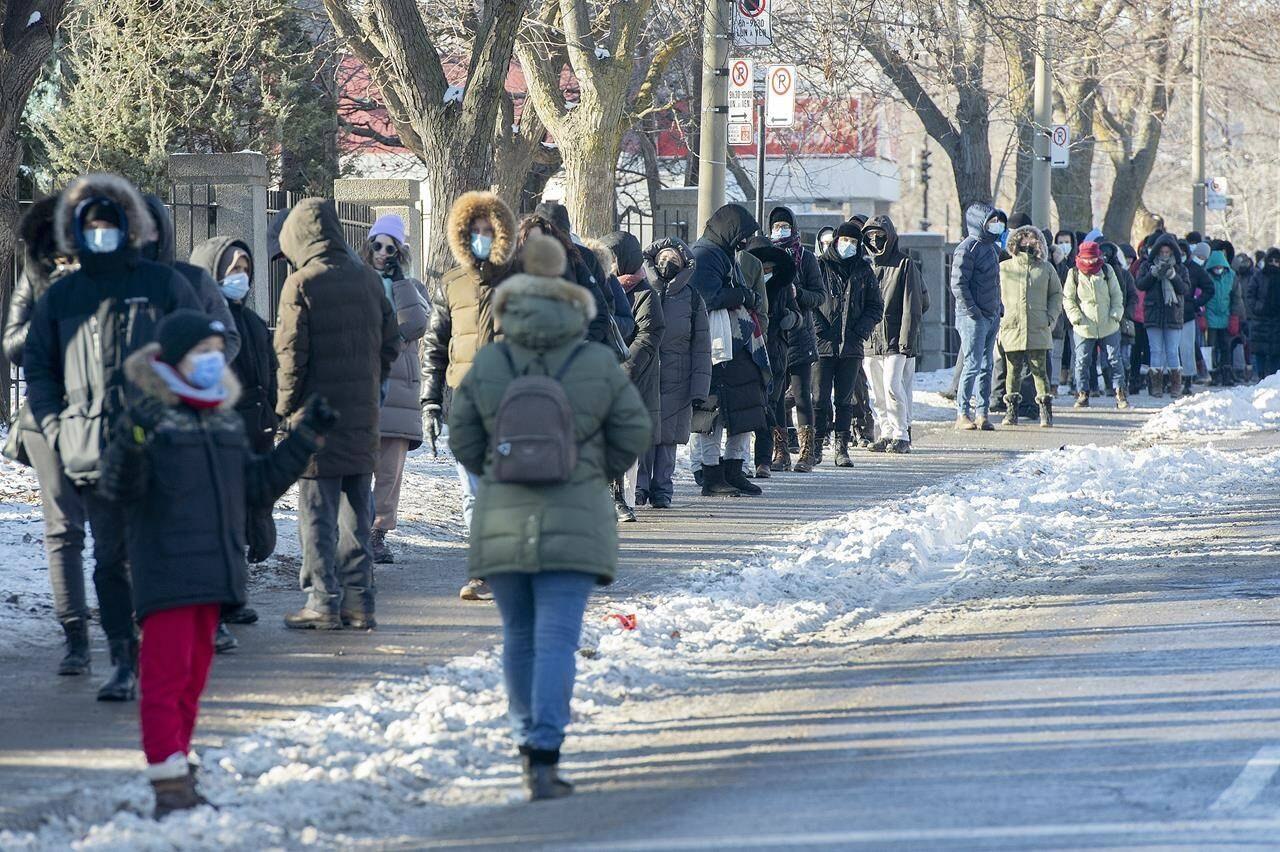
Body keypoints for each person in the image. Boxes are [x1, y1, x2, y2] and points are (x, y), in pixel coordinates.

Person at [96, 311, 330, 817]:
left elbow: (257, 485)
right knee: (164, 679)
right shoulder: (148, 417)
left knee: (194, 680)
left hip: (215, 573)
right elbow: (118, 490)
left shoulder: (223, 418)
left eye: (215, 352)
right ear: (174, 359)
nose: (211, 360)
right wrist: (130, 442)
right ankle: (168, 782)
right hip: (167, 570)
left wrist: (305, 439)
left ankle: (180, 766)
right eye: (200, 350)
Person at [447, 235, 650, 801]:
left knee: (518, 636)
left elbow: (461, 435)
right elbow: (634, 432)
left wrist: (496, 468)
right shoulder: (594, 362)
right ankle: (544, 752)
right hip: (575, 517)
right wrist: (591, 469)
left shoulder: (491, 362)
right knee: (559, 636)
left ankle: (522, 737)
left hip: (503, 519)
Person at [24, 173, 202, 701]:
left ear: (128, 228)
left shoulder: (161, 284)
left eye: (111, 225)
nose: (102, 233)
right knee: (107, 557)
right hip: (92, 449)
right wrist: (56, 425)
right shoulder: (62, 296)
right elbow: (39, 366)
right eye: (92, 226)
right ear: (78, 231)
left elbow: (195, 350)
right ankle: (123, 658)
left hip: (155, 447)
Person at [275, 199, 401, 631]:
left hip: (317, 420)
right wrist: (371, 381)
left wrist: (285, 411)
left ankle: (322, 601)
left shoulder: (301, 283)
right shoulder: (368, 280)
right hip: (362, 416)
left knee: (316, 513)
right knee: (355, 514)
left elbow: (291, 356)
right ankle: (359, 602)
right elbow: (392, 343)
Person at [2, 194, 91, 676]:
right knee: (63, 529)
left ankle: (124, 628)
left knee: (117, 529)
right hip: (48, 416)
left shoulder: (112, 272)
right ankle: (74, 633)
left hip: (103, 416)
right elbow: (12, 341)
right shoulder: (36, 272)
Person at [422, 191, 517, 602]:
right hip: (463, 402)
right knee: (472, 494)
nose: (481, 238)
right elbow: (434, 344)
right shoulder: (451, 284)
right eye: (473, 231)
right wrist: (429, 402)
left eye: (487, 230)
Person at [189, 235, 274, 649]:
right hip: (220, 430)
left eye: (244, 269)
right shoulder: (205, 325)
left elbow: (268, 376)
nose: (239, 277)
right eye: (231, 269)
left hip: (256, 430)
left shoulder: (254, 324)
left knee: (246, 519)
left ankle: (234, 595)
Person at [358, 215, 429, 563]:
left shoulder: (412, 286)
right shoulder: (355, 281)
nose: (383, 253)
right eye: (378, 245)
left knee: (389, 472)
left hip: (399, 391)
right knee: (358, 463)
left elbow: (415, 325)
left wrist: (399, 282)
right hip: (362, 386)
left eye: (391, 247)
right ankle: (356, 529)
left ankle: (378, 534)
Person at [689, 205, 770, 496]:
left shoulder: (722, 253)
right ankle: (712, 474)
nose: (746, 242)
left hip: (735, 346)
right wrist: (741, 295)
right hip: (716, 348)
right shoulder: (705, 255)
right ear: (732, 231)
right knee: (712, 413)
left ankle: (734, 470)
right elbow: (705, 297)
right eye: (744, 235)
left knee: (744, 405)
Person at [638, 238, 710, 507]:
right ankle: (639, 487)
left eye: (675, 260)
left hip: (677, 377)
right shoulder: (642, 289)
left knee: (667, 440)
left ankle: (662, 491)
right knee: (643, 435)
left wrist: (699, 388)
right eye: (664, 257)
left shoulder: (692, 298)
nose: (668, 263)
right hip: (645, 372)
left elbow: (701, 346)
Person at [600, 231, 665, 521]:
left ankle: (625, 499)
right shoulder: (601, 288)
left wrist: (621, 372)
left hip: (634, 379)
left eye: (615, 259)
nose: (611, 265)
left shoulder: (645, 294)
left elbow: (647, 337)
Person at [141, 195, 241, 363]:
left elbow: (228, 337)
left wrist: (198, 370)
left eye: (149, 229)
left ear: (163, 231)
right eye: (134, 229)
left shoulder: (194, 278)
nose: (141, 237)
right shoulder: (111, 280)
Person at [815, 221, 883, 463]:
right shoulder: (820, 266)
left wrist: (859, 331)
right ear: (836, 241)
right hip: (822, 344)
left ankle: (841, 448)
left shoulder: (864, 270)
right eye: (845, 240)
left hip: (851, 346)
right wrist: (818, 329)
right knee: (819, 398)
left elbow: (875, 306)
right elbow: (811, 300)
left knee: (844, 399)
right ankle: (815, 445)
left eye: (854, 242)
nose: (849, 245)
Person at [768, 207, 824, 472]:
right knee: (777, 397)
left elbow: (819, 296)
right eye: (776, 225)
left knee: (802, 394)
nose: (781, 230)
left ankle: (807, 453)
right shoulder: (765, 257)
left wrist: (797, 292)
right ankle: (780, 451)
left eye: (785, 225)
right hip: (775, 336)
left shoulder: (807, 258)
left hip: (801, 336)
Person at [862, 215, 924, 453]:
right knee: (877, 391)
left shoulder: (904, 264)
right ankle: (886, 431)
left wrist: (907, 339)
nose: (875, 240)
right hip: (871, 339)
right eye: (870, 237)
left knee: (892, 386)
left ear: (890, 237)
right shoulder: (868, 266)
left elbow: (913, 304)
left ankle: (901, 433)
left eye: (880, 236)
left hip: (896, 339)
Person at [997, 226, 1062, 426]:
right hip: (1012, 326)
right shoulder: (1005, 267)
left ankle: (1045, 411)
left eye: (1031, 238)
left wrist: (1050, 318)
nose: (1027, 242)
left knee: (1039, 371)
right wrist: (1000, 316)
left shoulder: (1046, 268)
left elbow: (1056, 294)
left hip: (1038, 327)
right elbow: (993, 293)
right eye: (1023, 238)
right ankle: (1011, 411)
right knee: (1013, 372)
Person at [950, 202, 1006, 429]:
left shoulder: (992, 248)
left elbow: (995, 281)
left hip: (991, 314)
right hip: (973, 317)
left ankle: (982, 413)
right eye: (992, 221)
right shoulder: (967, 248)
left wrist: (998, 306)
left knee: (987, 366)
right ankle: (962, 413)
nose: (996, 225)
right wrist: (972, 311)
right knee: (972, 364)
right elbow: (958, 284)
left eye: (997, 221)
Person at [745, 236, 798, 476]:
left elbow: (798, 315)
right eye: (762, 267)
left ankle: (764, 460)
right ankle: (741, 459)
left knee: (769, 405)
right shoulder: (743, 285)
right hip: (748, 352)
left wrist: (791, 318)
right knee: (746, 406)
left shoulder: (783, 287)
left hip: (776, 352)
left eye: (769, 269)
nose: (766, 272)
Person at [1062, 242, 1126, 409]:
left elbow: (1117, 295)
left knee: (1114, 359)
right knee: (1082, 361)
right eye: (1087, 259)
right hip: (1084, 326)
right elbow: (1068, 299)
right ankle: (1082, 393)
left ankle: (1120, 392)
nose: (1090, 262)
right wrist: (1076, 317)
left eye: (1094, 258)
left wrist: (1116, 315)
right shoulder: (1073, 273)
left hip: (1108, 324)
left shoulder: (1107, 270)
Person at [1135, 233, 1190, 396]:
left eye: (1168, 252)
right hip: (1153, 314)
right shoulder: (1147, 266)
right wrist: (1153, 274)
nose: (1165, 255)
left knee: (1172, 350)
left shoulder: (1181, 268)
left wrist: (1173, 276)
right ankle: (1156, 385)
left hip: (1173, 314)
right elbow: (1140, 284)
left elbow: (1185, 289)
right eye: (1162, 252)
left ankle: (1175, 385)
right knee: (1155, 350)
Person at [1102, 241, 1140, 402]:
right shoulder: (1097, 274)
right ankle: (1110, 386)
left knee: (1123, 357)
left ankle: (1123, 386)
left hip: (1122, 320)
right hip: (1102, 321)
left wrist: (1127, 314)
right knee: (1105, 358)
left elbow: (1133, 296)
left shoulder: (1124, 274)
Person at [1204, 249, 1243, 386]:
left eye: (1220, 267)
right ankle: (1213, 374)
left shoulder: (1231, 277)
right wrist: (1202, 315)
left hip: (1225, 316)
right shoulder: (1206, 276)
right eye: (1216, 267)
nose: (1218, 269)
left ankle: (1226, 373)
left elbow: (1236, 298)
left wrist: (1234, 316)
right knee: (1211, 347)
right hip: (1210, 316)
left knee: (1226, 346)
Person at [1181, 242, 1216, 393]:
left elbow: (1210, 288)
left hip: (1187, 314)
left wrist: (1196, 303)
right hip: (1168, 314)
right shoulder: (1171, 267)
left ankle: (1188, 379)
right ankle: (1170, 379)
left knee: (1188, 347)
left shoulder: (1195, 269)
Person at [1246, 249, 1280, 380]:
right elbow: (1250, 295)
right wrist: (1258, 308)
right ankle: (1259, 377)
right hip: (1261, 319)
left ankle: (1274, 379)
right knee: (1260, 352)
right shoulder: (1259, 276)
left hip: (1277, 320)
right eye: (1271, 260)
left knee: (1276, 353)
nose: (1274, 263)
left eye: (1277, 261)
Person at [1051, 229, 1078, 390]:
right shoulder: (1053, 260)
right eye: (1060, 242)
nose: (1064, 245)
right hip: (1059, 311)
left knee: (1077, 349)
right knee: (1056, 350)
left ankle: (1076, 382)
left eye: (1066, 242)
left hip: (1075, 308)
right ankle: (1053, 383)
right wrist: (1059, 261)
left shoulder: (1078, 261)